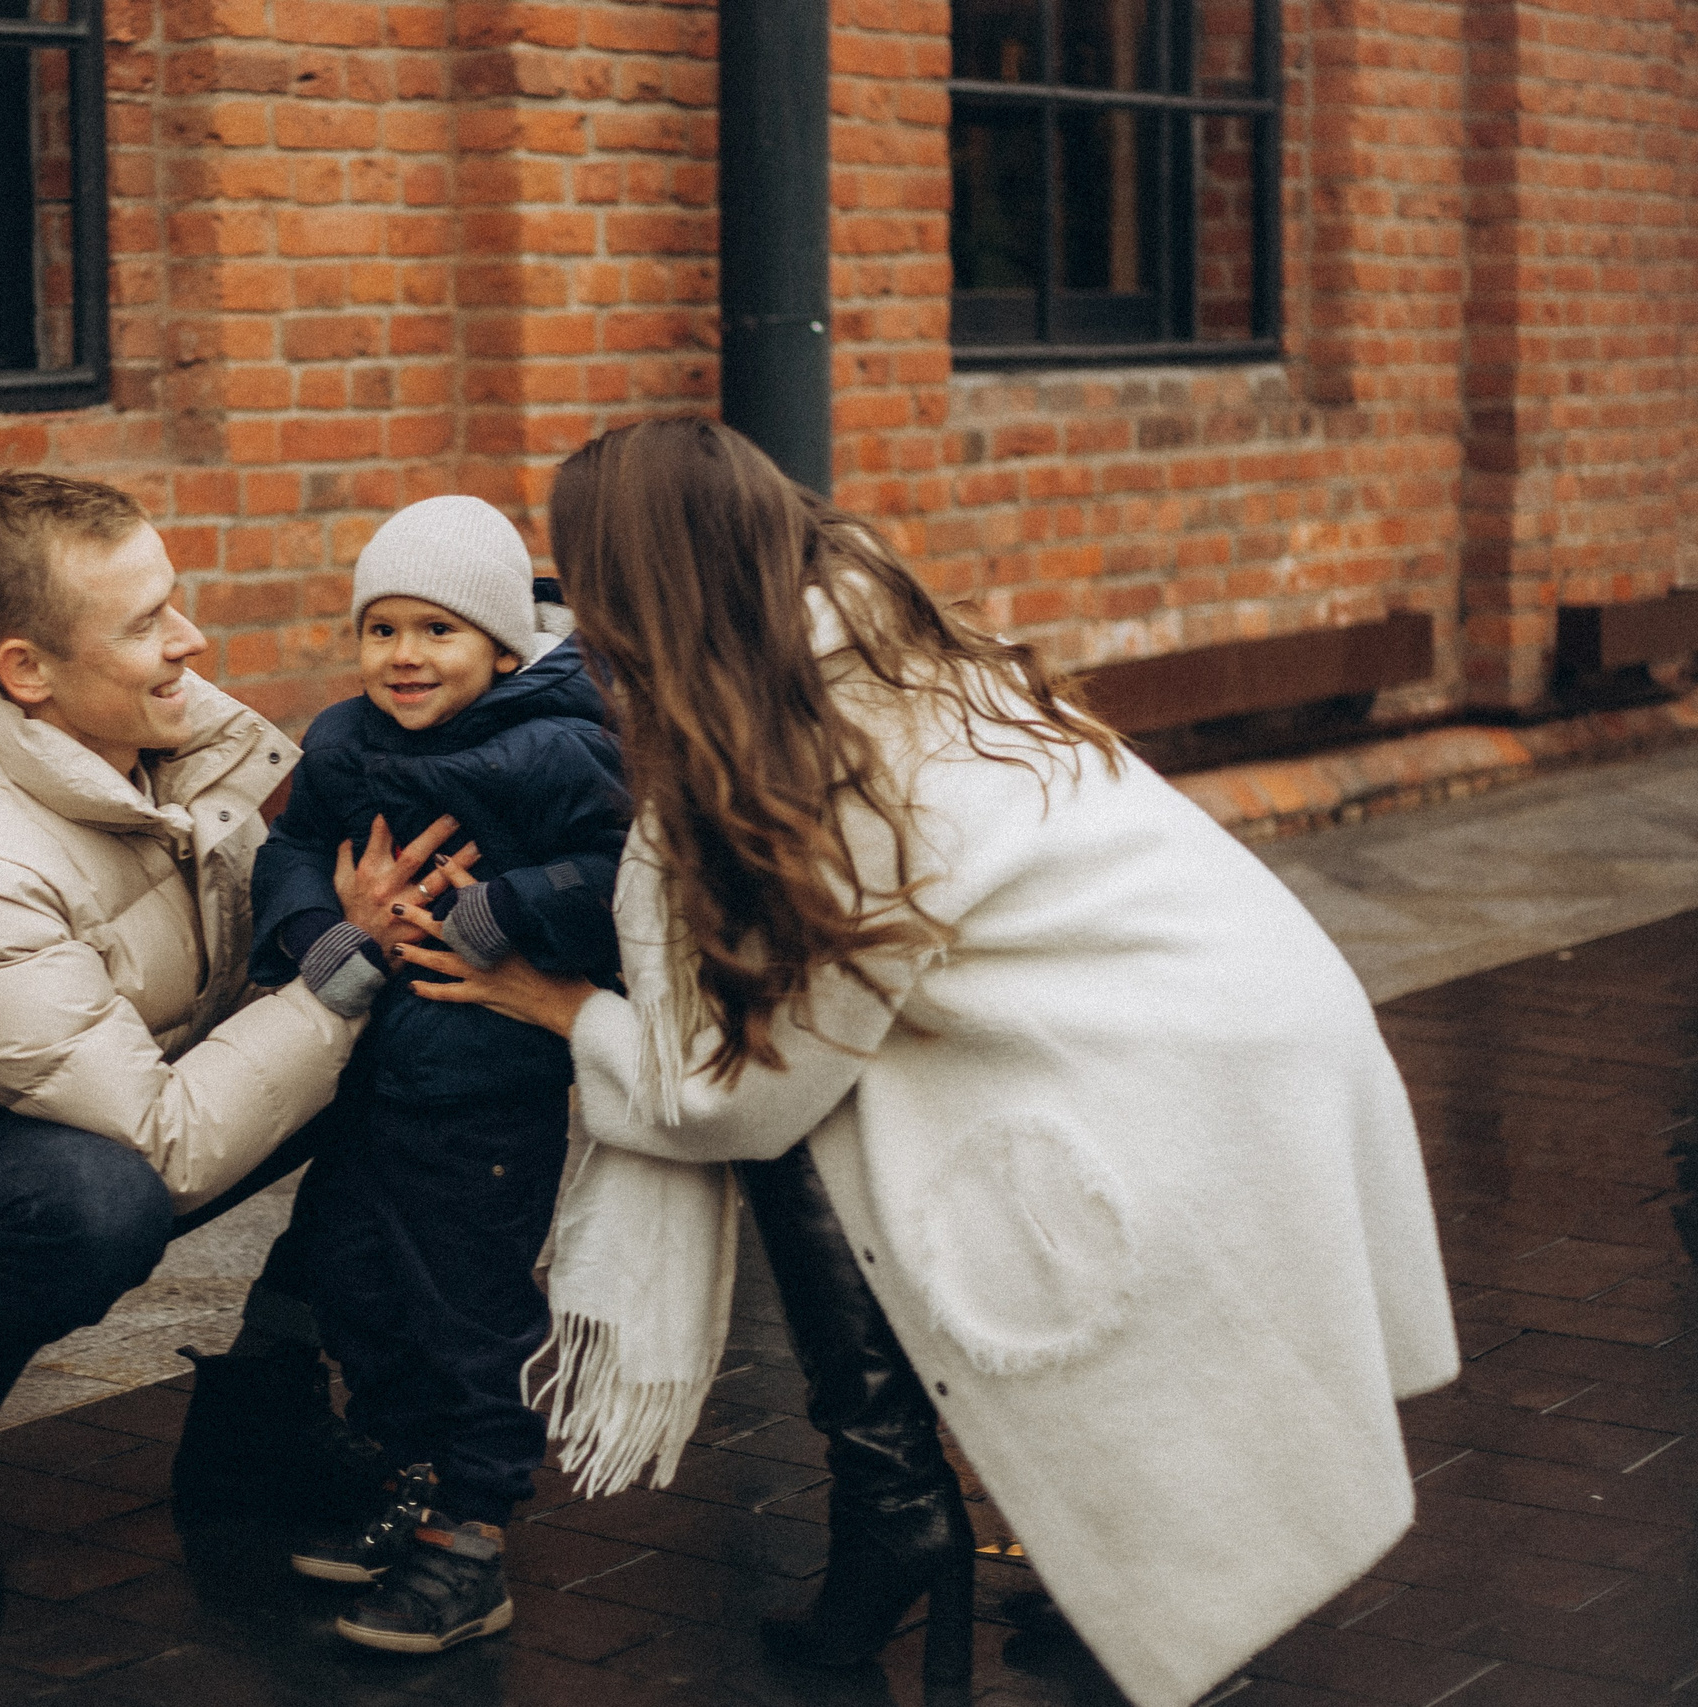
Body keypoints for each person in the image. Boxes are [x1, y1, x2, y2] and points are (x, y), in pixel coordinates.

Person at [395, 419, 1460, 1707]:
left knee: (826, 1134)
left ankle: (919, 1524)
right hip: (1234, 1015)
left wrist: (567, 1008)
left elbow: (734, 1096)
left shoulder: (841, 756)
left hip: (1182, 1066)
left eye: (584, 580)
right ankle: (924, 1523)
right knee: (851, 1120)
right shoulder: (866, 652)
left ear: (645, 593)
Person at [0, 471, 463, 1603]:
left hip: (105, 1093)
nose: (188, 639)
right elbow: (161, 1140)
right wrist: (341, 969)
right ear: (27, 673)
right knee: (96, 1205)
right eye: (145, 624)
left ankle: (265, 1410)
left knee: (412, 1043)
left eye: (173, 601)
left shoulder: (155, 731)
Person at [246, 496, 626, 1653]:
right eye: (382, 629)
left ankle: (472, 1533)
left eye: (438, 631)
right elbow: (291, 848)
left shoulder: (559, 744)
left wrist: (494, 911)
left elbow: (620, 874)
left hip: (480, 1091)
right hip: (361, 1081)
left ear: (504, 646)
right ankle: (410, 1486)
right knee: (362, 1289)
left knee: (466, 1306)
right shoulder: (340, 741)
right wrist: (317, 934)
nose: (403, 656)